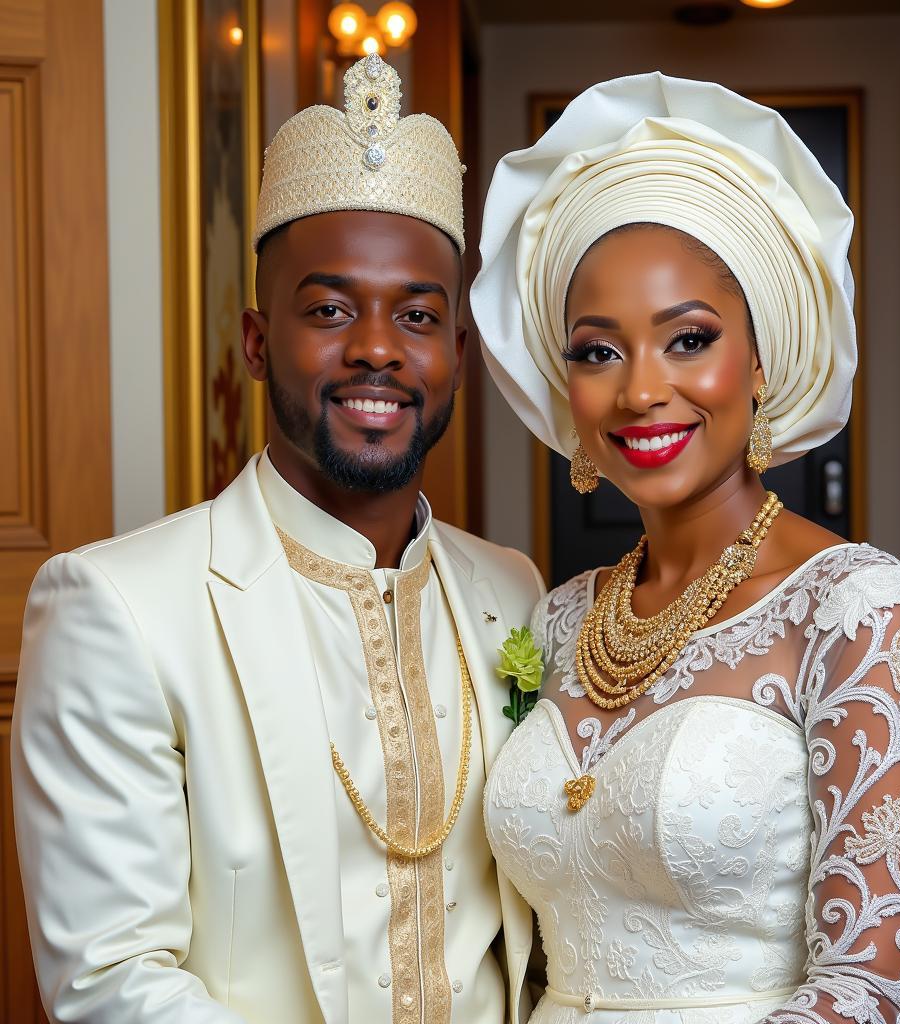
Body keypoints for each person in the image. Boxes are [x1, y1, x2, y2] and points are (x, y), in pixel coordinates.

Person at [13, 54, 542, 1024]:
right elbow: (112, 982)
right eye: (329, 309)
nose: (377, 346)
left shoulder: (512, 593)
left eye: (417, 315)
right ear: (257, 342)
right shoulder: (117, 607)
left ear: (456, 357)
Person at [472, 73, 900, 1023]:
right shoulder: (562, 616)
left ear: (763, 357)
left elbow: (873, 993)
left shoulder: (864, 612)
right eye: (597, 351)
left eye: (687, 339)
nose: (640, 391)